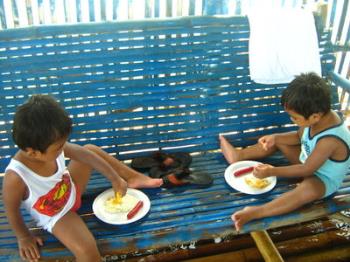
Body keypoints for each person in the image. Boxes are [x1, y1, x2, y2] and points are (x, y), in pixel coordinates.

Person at [2, 95, 163, 262]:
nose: (62, 149)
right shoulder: (16, 177)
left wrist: (114, 178)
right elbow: (11, 211)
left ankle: (131, 177)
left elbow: (84, 154)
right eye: (58, 148)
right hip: (59, 215)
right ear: (32, 152)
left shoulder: (50, 144)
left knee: (90, 149)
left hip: (71, 188)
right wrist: (24, 237)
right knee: (87, 252)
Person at [219, 72, 350, 232]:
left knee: (307, 190)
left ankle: (256, 212)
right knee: (278, 140)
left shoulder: (330, 139)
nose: (292, 120)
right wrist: (275, 137)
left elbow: (307, 169)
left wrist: (271, 171)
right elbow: (297, 136)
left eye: (294, 118)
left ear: (315, 116)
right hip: (306, 161)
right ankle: (239, 156)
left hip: (322, 179)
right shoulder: (316, 117)